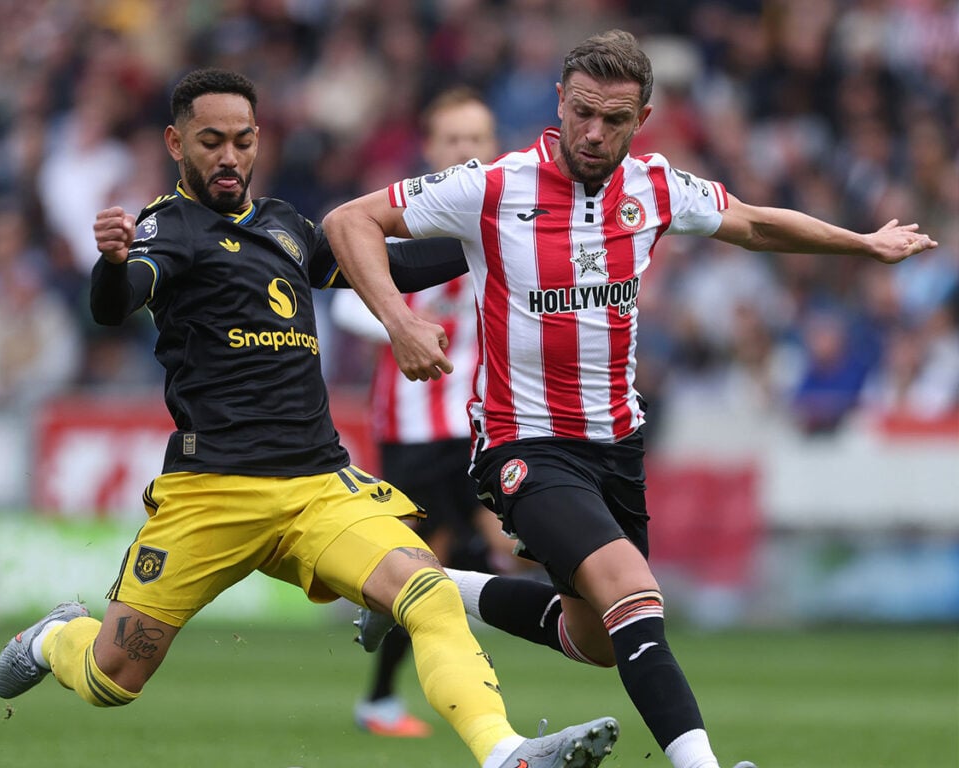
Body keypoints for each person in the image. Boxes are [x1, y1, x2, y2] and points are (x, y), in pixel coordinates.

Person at [321, 29, 937, 768]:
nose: (593, 132)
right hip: (524, 443)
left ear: (641, 120)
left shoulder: (655, 186)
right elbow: (349, 220)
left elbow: (753, 222)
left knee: (599, 639)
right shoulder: (493, 186)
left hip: (616, 445)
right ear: (559, 101)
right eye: (582, 112)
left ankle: (416, 586)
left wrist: (863, 242)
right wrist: (398, 320)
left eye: (614, 120)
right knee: (636, 595)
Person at [0, 68, 620, 768]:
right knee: (113, 678)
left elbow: (393, 265)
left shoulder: (286, 226)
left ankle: (505, 754)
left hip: (318, 486)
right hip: (214, 493)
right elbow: (115, 304)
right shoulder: (169, 227)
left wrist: (495, 231)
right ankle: (54, 639)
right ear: (175, 143)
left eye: (242, 140)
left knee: (430, 593)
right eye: (210, 142)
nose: (229, 157)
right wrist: (111, 263)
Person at [331, 87, 527, 738]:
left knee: (498, 549)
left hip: (483, 422)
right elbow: (342, 299)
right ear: (430, 148)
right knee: (432, 559)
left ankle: (396, 673)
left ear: (493, 146)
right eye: (453, 139)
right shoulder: (398, 214)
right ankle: (386, 693)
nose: (466, 150)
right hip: (415, 425)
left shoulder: (506, 215)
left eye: (477, 139)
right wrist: (400, 323)